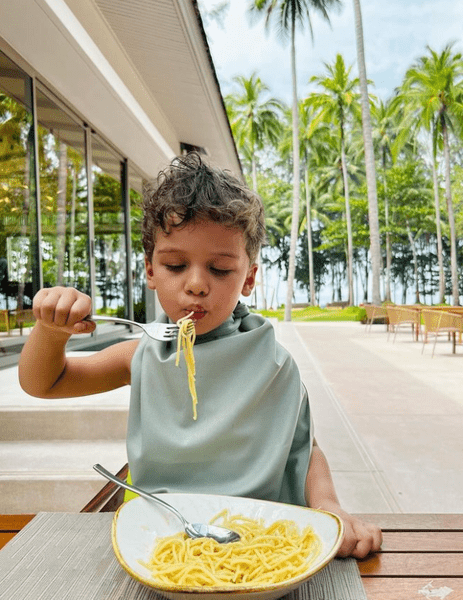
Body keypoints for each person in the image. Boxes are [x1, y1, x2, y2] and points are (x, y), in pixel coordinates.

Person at [18, 152, 382, 559]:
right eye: (175, 265)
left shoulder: (274, 364)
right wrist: (50, 333)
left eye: (220, 269)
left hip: (259, 537)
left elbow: (303, 448)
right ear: (151, 271)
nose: (196, 285)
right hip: (159, 534)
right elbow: (44, 384)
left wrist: (329, 506)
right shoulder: (140, 355)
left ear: (248, 278)